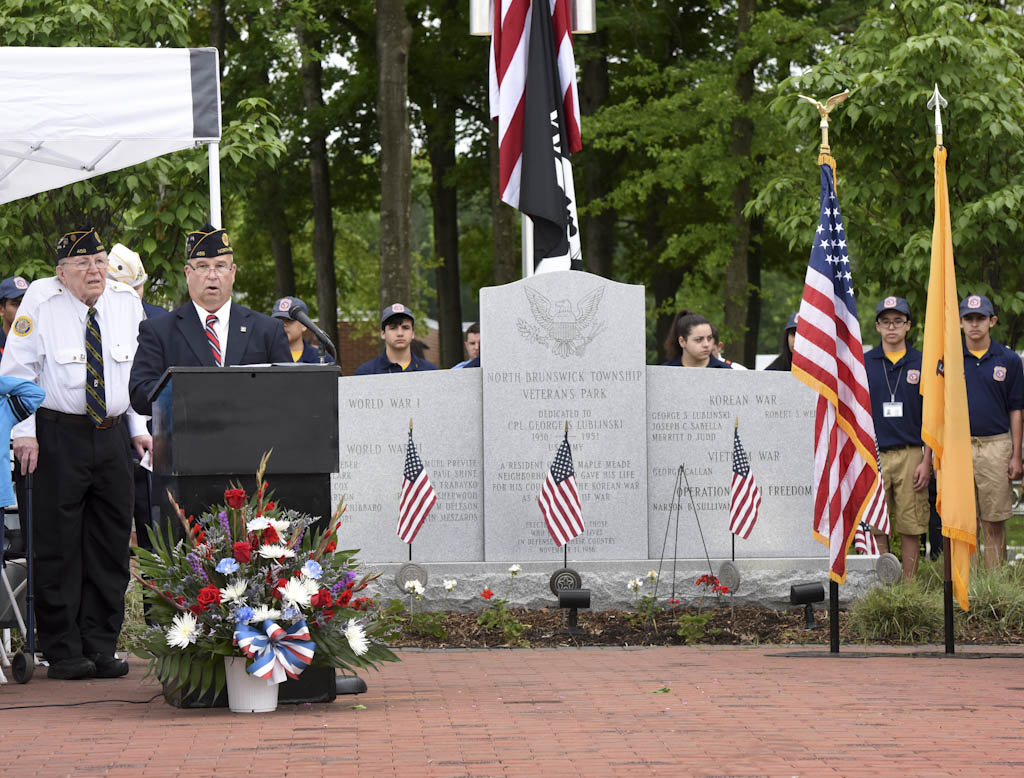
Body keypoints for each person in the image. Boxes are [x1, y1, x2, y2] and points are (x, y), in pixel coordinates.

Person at [0, 225, 151, 680]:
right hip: (56, 434)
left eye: (100, 261)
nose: (95, 271)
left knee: (109, 543)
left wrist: (139, 426)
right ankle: (63, 651)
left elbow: (137, 370)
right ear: (61, 271)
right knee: (58, 545)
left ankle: (101, 645)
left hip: (111, 436)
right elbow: (16, 369)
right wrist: (24, 431)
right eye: (83, 263)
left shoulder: (126, 302)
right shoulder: (40, 302)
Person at [129, 224, 291, 416]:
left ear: (233, 273)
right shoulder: (159, 330)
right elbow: (140, 394)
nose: (212, 275)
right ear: (188, 274)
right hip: (186, 440)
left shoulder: (267, 330)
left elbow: (288, 391)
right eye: (203, 266)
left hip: (253, 442)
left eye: (221, 266)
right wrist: (196, 395)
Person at [864, 296, 931, 579]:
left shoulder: (922, 362)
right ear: (878, 326)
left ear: (908, 326)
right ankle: (884, 583)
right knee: (877, 524)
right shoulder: (864, 363)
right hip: (875, 453)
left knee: (910, 523)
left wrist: (927, 461)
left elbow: (931, 415)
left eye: (898, 321)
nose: (892, 327)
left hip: (912, 452)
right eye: (886, 322)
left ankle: (910, 586)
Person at [107, 243, 166, 552]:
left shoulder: (161, 321)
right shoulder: (95, 319)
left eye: (136, 287)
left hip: (156, 443)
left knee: (155, 539)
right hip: (114, 440)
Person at [959, 294, 1024, 569]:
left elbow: (1016, 409)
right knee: (963, 520)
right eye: (969, 319)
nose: (975, 324)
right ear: (960, 322)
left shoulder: (1008, 359)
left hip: (996, 445)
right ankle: (967, 588)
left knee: (993, 520)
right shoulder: (950, 358)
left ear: (992, 321)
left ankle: (993, 589)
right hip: (959, 445)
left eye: (980, 318)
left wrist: (1016, 455)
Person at [353, 304, 439, 375]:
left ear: (413, 333)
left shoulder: (431, 372)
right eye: (393, 328)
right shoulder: (365, 373)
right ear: (383, 333)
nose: (400, 333)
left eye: (405, 328)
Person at [107, 242, 167, 321]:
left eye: (136, 288)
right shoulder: (93, 323)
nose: (132, 295)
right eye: (124, 290)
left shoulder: (162, 319)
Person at [271, 296, 334, 364]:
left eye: (289, 320)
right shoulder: (266, 357)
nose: (283, 324)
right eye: (278, 320)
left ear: (304, 325)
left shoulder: (321, 359)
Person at [661, 310, 732, 368]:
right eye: (699, 339)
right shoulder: (665, 371)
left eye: (709, 338)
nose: (706, 344)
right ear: (682, 341)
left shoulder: (726, 371)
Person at [0, 276, 29, 356]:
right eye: (16, 304)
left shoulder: (40, 344)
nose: (22, 309)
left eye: (26, 304)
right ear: (1, 310)